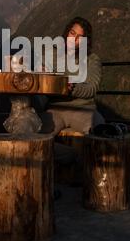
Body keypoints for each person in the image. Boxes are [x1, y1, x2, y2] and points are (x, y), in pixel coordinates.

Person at [38, 17, 105, 164]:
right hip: (55, 109)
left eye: (79, 37)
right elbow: (41, 86)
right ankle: (73, 156)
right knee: (33, 140)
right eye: (72, 33)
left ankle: (82, 164)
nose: (73, 39)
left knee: (102, 136)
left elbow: (92, 89)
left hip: (83, 109)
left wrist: (72, 87)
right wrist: (41, 75)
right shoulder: (51, 54)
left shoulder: (92, 59)